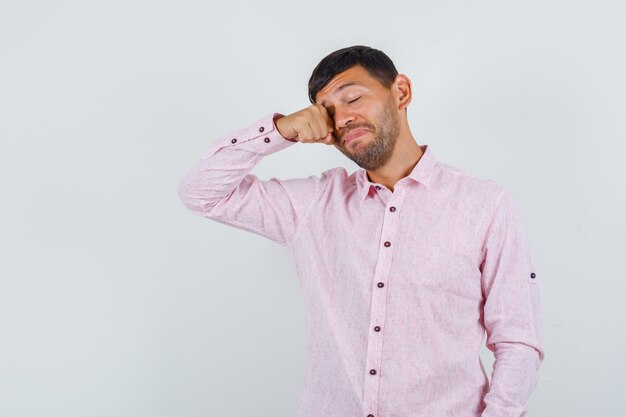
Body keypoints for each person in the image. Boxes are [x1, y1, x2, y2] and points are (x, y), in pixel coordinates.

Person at [177, 45, 545, 417]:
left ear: (401, 92)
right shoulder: (312, 205)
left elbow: (517, 340)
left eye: (353, 98)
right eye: (328, 112)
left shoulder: (485, 205)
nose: (343, 119)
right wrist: (281, 131)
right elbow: (200, 193)